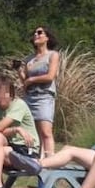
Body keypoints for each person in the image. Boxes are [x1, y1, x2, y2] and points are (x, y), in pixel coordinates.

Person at [18, 25, 59, 158]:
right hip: (29, 96)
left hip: (44, 96)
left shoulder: (53, 55)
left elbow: (50, 76)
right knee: (33, 131)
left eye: (40, 32)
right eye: (34, 32)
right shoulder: (29, 59)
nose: (36, 34)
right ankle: (37, 160)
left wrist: (32, 80)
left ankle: (50, 161)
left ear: (47, 37)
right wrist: (20, 71)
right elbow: (25, 81)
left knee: (46, 132)